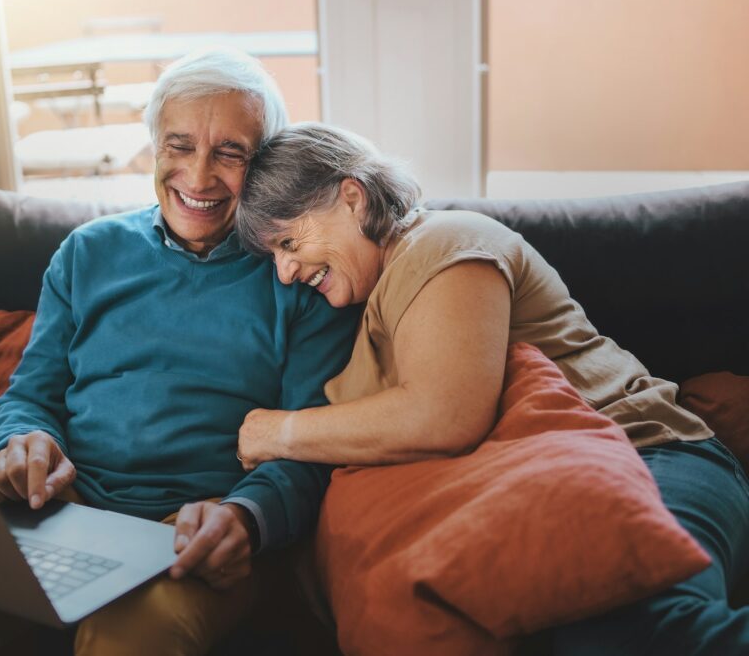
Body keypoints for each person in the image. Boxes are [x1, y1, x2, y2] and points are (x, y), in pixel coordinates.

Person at [0, 51, 359, 656]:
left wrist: (247, 516)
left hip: (192, 529)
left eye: (230, 153)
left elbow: (313, 447)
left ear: (264, 164)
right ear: (152, 148)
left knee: (131, 637)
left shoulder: (300, 272)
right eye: (179, 146)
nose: (198, 178)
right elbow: (29, 396)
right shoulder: (86, 253)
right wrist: (20, 444)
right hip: (63, 512)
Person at [233, 121, 749, 655]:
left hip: (648, 450)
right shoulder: (376, 300)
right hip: (545, 486)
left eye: (289, 242)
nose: (285, 271)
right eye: (274, 255)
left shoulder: (439, 244)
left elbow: (444, 416)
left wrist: (275, 431)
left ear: (352, 198)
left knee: (635, 635)